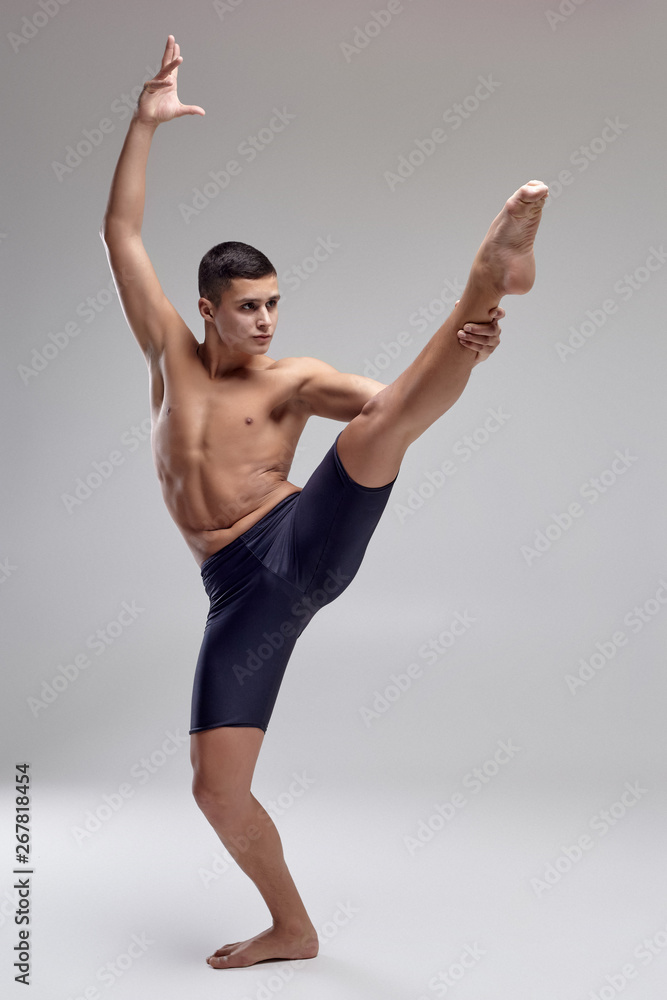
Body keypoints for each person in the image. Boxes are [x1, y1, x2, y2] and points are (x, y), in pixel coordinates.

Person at [100, 35, 548, 970]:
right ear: (208, 308)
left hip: (300, 540)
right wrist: (143, 125)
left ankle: (490, 277)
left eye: (273, 303)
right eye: (249, 306)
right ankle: (292, 929)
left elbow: (392, 404)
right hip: (236, 595)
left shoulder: (293, 379)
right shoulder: (170, 362)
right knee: (216, 792)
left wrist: (467, 344)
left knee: (374, 430)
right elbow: (123, 236)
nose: (266, 320)